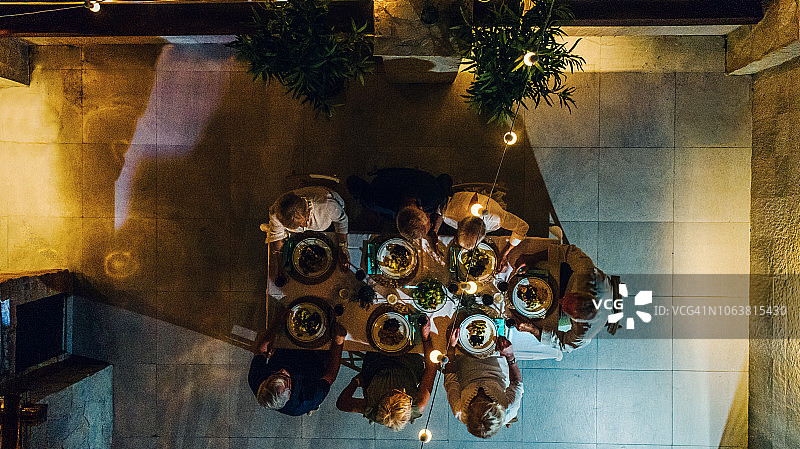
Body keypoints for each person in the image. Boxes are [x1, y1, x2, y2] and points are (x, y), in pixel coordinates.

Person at [335, 319, 437, 430]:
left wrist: (356, 382)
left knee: (367, 329)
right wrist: (426, 338)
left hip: (376, 360)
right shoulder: (419, 405)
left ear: (382, 401)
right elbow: (431, 368)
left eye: (392, 392)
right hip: (408, 360)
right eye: (403, 394)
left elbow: (342, 403)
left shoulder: (374, 409)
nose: (400, 390)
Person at [511, 244, 613, 353]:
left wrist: (533, 330)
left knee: (536, 319)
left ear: (576, 319)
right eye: (565, 298)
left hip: (585, 307)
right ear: (579, 292)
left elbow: (563, 343)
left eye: (565, 308)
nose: (559, 301)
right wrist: (533, 258)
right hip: (572, 279)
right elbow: (568, 252)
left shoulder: (583, 332)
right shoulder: (587, 273)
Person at [248, 310, 347, 416]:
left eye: (275, 374)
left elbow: (261, 352)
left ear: (264, 383)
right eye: (285, 377)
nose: (283, 370)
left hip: (286, 350)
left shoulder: (256, 382)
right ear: (290, 393)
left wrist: (276, 324)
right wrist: (338, 341)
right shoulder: (307, 399)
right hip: (316, 359)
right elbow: (330, 375)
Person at [347, 168, 452, 252]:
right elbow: (352, 182)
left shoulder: (434, 197)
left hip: (408, 177)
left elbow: (445, 178)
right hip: (388, 176)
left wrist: (434, 230)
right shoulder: (374, 201)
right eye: (429, 222)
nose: (431, 223)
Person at [444, 330, 523, 439]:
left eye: (477, 401)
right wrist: (509, 356)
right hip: (497, 358)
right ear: (498, 407)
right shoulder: (509, 408)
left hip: (465, 358)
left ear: (468, 411)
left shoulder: (459, 410)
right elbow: (516, 383)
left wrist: (451, 348)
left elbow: (450, 378)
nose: (481, 395)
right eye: (487, 400)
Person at [262, 186, 350, 271]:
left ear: (306, 213)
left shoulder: (326, 205)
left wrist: (342, 247)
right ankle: (272, 228)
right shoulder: (277, 212)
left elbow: (341, 221)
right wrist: (279, 265)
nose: (303, 227)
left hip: (329, 216)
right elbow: (278, 238)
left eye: (302, 224)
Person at [442, 191, 528, 268]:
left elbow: (522, 227)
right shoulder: (449, 212)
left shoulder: (496, 218)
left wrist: (505, 252)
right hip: (455, 202)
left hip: (487, 206)